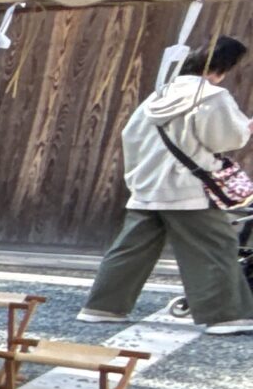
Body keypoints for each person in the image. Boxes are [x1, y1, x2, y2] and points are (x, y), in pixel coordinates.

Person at [79, 37, 253, 334]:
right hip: (187, 189)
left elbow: (130, 137)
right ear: (222, 68)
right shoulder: (212, 96)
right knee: (215, 246)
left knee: (131, 249)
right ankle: (226, 316)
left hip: (148, 187)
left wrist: (139, 178)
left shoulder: (158, 95)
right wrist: (245, 128)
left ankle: (102, 307)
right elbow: (226, 139)